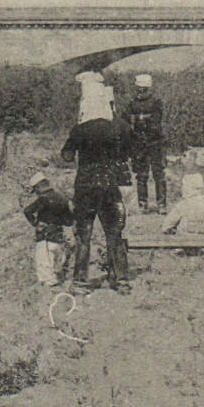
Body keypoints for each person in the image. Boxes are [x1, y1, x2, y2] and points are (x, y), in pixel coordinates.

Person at [62, 76, 134, 292]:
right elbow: (128, 152)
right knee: (114, 233)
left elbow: (66, 156)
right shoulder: (118, 129)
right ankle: (121, 279)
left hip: (85, 186)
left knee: (84, 235)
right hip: (110, 185)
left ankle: (80, 281)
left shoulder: (80, 129)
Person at [122, 74, 167, 213]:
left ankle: (161, 204)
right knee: (141, 175)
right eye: (139, 89)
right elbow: (125, 120)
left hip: (155, 142)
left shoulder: (156, 102)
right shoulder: (132, 103)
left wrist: (137, 119)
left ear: (148, 89)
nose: (140, 92)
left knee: (158, 174)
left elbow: (156, 122)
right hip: (138, 143)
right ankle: (143, 204)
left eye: (143, 89)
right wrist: (139, 120)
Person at [21, 173, 75, 286]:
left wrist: (35, 223)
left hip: (45, 237)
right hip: (58, 236)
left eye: (35, 190)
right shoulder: (62, 198)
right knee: (56, 262)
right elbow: (69, 221)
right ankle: (57, 283)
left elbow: (27, 211)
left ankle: (49, 288)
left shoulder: (43, 199)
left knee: (44, 265)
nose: (36, 192)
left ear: (39, 187)